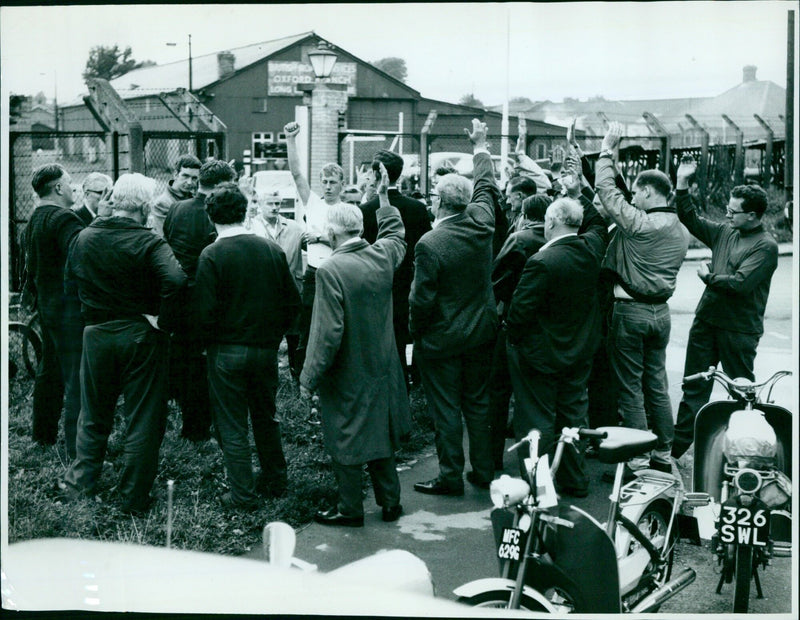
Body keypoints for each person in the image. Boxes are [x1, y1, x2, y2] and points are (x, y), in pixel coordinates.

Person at [60, 173, 187, 515]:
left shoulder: (84, 237)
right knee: (142, 417)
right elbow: (175, 280)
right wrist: (163, 319)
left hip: (96, 331)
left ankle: (79, 485)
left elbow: (69, 283)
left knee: (93, 413)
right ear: (145, 206)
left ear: (114, 200)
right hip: (139, 334)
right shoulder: (150, 242)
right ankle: (133, 497)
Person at [299, 162, 410, 527]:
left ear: (331, 233)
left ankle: (350, 509)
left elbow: (327, 333)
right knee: (379, 432)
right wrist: (382, 194)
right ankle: (390, 502)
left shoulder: (332, 269)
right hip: (382, 364)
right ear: (360, 229)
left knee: (344, 436)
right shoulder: (382, 256)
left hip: (348, 369)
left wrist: (308, 378)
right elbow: (396, 233)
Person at [194, 183, 300, 509]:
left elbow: (205, 312)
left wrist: (206, 343)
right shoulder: (271, 249)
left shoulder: (212, 254)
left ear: (211, 216)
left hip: (226, 351)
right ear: (245, 211)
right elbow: (292, 303)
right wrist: (273, 337)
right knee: (266, 417)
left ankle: (242, 494)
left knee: (233, 424)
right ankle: (275, 480)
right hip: (265, 350)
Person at [410, 119, 501, 496]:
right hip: (481, 333)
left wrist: (417, 334)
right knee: (478, 404)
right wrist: (480, 145)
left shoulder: (430, 243)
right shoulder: (482, 223)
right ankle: (483, 470)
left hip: (442, 341)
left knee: (446, 410)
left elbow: (421, 301)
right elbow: (486, 187)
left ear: (440, 202)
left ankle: (450, 475)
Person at [595, 122, 689, 480]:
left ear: (650, 193)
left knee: (630, 388)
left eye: (636, 192)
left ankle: (635, 462)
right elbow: (617, 191)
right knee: (657, 384)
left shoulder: (639, 224)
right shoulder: (679, 231)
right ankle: (664, 453)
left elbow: (606, 190)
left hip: (629, 313)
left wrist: (607, 149)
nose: (631, 197)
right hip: (660, 315)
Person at [671, 157, 779, 459]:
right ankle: (673, 454)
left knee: (741, 393)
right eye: (728, 209)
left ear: (753, 215)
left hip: (739, 330)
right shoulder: (725, 231)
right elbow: (689, 218)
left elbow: (741, 284)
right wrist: (682, 183)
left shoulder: (766, 246)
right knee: (693, 388)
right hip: (707, 322)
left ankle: (750, 456)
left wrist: (709, 277)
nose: (727, 214)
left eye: (734, 211)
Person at [505, 197, 608, 496]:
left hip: (539, 355)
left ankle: (539, 487)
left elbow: (519, 313)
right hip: (579, 351)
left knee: (536, 421)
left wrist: (516, 340)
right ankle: (575, 480)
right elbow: (599, 225)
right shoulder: (591, 252)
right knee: (574, 416)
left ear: (550, 223)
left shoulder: (540, 262)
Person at [163, 159, 236, 441]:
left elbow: (169, 243)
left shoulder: (176, 208)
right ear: (219, 186)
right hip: (207, 296)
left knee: (184, 362)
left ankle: (190, 425)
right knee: (208, 365)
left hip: (179, 297)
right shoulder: (217, 212)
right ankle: (202, 427)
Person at [23, 163, 84, 459]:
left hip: (47, 307)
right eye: (71, 182)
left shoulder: (35, 218)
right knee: (76, 377)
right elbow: (82, 260)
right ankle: (78, 449)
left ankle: (43, 435)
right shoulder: (64, 219)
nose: (74, 187)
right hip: (70, 310)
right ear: (59, 188)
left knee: (50, 370)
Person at [488, 193, 551, 469]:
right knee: (536, 398)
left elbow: (497, 279)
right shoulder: (558, 240)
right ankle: (538, 464)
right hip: (547, 328)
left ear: (525, 215)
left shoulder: (519, 240)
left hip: (513, 322)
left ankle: (491, 460)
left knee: (499, 392)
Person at [359, 150, 431, 388]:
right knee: (404, 334)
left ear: (374, 173)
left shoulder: (366, 210)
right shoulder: (418, 209)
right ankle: (408, 379)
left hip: (376, 282)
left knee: (379, 337)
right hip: (408, 280)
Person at [284, 121, 350, 375]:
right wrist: (290, 140)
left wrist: (322, 238)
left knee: (337, 324)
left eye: (333, 182)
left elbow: (350, 242)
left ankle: (337, 371)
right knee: (308, 325)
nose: (328, 186)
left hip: (339, 273)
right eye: (325, 181)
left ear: (342, 183)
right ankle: (302, 377)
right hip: (313, 273)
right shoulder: (313, 204)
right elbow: (297, 174)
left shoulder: (347, 210)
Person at [249, 190, 306, 377]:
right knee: (267, 339)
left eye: (278, 204)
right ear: (260, 204)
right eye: (270, 204)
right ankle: (267, 377)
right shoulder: (251, 228)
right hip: (263, 292)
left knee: (294, 337)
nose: (275, 208)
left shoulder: (295, 228)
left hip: (291, 291)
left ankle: (297, 378)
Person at [149, 154, 201, 236]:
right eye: (185, 176)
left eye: (194, 178)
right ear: (175, 175)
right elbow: (162, 238)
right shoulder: (162, 203)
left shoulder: (195, 199)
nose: (189, 182)